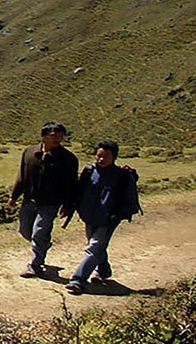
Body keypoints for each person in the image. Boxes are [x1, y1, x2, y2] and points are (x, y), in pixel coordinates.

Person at [64, 140, 139, 294]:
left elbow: (129, 200)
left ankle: (78, 280)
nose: (101, 159)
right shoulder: (89, 171)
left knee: (94, 247)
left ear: (114, 157)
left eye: (105, 156)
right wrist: (72, 207)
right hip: (89, 217)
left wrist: (118, 216)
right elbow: (79, 191)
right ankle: (103, 270)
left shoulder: (122, 176)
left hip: (108, 219)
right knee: (98, 246)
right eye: (99, 156)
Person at [8, 122, 79, 278]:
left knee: (40, 231)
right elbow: (22, 176)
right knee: (25, 230)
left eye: (61, 136)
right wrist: (14, 196)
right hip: (29, 200)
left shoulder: (68, 159)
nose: (58, 139)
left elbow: (71, 184)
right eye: (54, 136)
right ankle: (43, 245)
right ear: (43, 136)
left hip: (51, 203)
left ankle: (36, 264)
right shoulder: (29, 152)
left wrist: (68, 205)